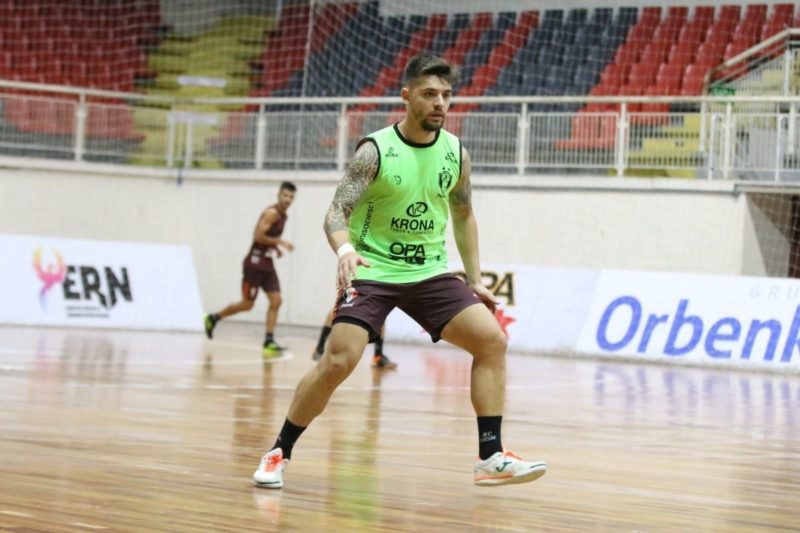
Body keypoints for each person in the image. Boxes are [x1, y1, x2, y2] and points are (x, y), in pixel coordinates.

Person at [253, 54, 546, 489]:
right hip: (373, 268)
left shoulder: (456, 154)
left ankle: (491, 454)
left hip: (429, 273)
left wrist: (475, 278)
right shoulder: (375, 151)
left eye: (446, 96)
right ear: (407, 97)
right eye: (430, 94)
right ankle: (280, 450)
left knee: (492, 341)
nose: (440, 104)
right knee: (338, 362)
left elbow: (464, 214)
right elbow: (337, 211)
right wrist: (346, 250)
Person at [204, 181, 296, 358]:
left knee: (276, 300)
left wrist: (274, 249)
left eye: (291, 197)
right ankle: (213, 318)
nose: (287, 199)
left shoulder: (284, 216)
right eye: (285, 195)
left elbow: (267, 238)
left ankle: (269, 340)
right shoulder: (271, 213)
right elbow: (258, 236)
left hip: (267, 263)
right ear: (278, 195)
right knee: (247, 304)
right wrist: (280, 242)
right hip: (254, 263)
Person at [312, 308, 396, 369]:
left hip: (376, 284)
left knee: (381, 312)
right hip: (356, 284)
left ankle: (378, 356)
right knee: (338, 308)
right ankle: (319, 349)